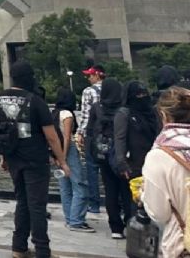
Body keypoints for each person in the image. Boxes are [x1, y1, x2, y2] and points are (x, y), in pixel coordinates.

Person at [0, 61, 69, 258]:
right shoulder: (35, 101)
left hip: (13, 158)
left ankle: (19, 248)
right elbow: (51, 136)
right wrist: (62, 161)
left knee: (22, 202)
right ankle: (42, 251)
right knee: (37, 206)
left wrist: (4, 156)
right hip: (35, 159)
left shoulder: (0, 98)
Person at [141, 86, 190, 258]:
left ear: (164, 115)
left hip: (181, 245)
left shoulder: (160, 156)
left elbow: (159, 213)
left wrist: (143, 194)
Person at [89, 78, 132, 239]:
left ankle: (115, 228)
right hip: (122, 153)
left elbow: (90, 130)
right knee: (126, 190)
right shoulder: (125, 109)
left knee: (110, 190)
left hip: (103, 153)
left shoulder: (97, 107)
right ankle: (130, 222)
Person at [53, 87, 94, 232]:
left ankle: (70, 218)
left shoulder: (54, 113)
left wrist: (56, 156)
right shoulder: (67, 115)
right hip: (67, 151)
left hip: (55, 150)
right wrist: (63, 158)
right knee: (79, 185)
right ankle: (76, 220)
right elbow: (67, 137)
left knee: (65, 187)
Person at [114, 81, 159, 181]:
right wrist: (121, 162)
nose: (142, 97)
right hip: (134, 163)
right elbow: (120, 138)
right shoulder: (124, 114)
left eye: (144, 94)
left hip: (154, 160)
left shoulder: (152, 112)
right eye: (138, 95)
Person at [76, 64, 105, 215]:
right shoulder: (113, 89)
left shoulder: (88, 91)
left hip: (92, 134)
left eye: (90, 75)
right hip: (108, 134)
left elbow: (85, 114)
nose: (88, 78)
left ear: (97, 75)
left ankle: (94, 204)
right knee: (109, 169)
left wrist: (80, 133)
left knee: (92, 169)